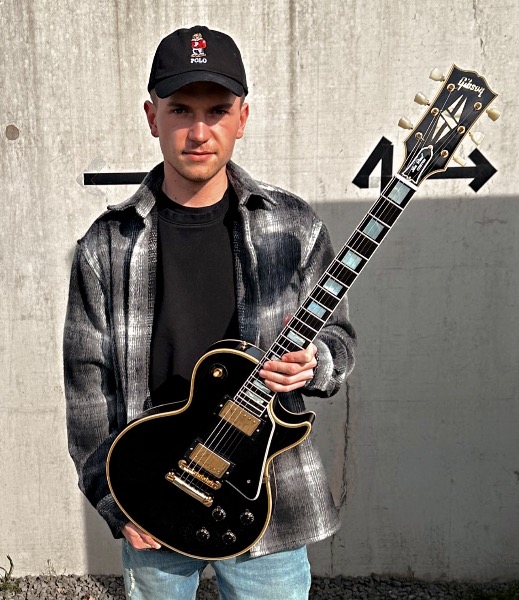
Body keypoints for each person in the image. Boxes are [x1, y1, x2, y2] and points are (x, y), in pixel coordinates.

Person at [64, 25, 356, 600]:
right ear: (152, 117)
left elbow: (341, 343)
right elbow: (86, 390)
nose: (199, 132)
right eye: (181, 110)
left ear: (242, 118)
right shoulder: (106, 245)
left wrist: (314, 363)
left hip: (268, 505)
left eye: (218, 110)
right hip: (154, 498)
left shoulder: (294, 226)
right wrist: (113, 499)